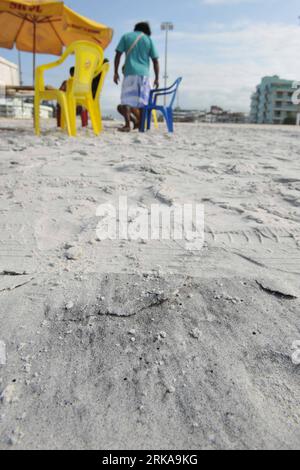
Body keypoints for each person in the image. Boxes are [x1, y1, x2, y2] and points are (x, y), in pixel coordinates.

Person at [114, 22, 160, 132]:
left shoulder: (126, 36)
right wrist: (157, 78)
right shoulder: (148, 40)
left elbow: (118, 55)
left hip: (129, 73)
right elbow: (155, 61)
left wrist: (115, 72)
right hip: (144, 74)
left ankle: (127, 125)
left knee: (126, 100)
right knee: (143, 101)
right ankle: (141, 125)